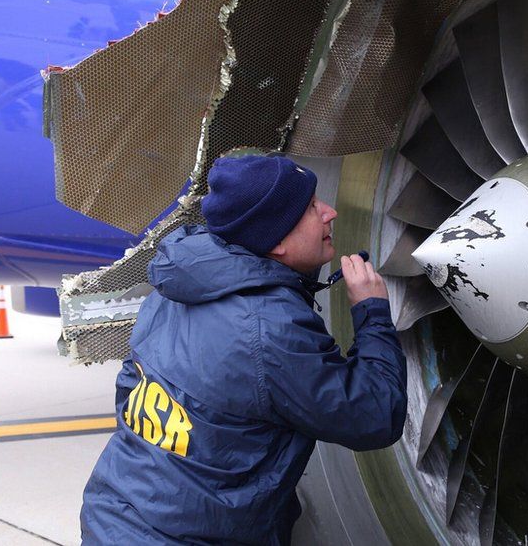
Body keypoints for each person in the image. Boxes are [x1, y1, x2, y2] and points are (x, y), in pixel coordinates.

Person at [80, 154, 407, 545]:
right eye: (311, 208)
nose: (330, 212)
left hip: (112, 518)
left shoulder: (176, 285)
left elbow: (131, 386)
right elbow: (375, 415)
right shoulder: (272, 329)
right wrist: (372, 313)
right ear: (277, 240)